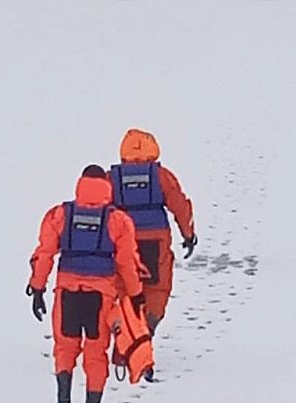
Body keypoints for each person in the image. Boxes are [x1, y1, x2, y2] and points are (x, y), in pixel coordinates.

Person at [27, 165, 147, 403]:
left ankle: (63, 398)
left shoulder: (60, 215)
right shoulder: (118, 220)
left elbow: (45, 253)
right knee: (95, 354)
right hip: (100, 297)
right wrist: (136, 295)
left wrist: (38, 288)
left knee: (64, 348)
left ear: (81, 183)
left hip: (67, 293)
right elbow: (126, 263)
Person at [109, 128, 197, 336]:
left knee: (124, 285)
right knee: (158, 285)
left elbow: (99, 208)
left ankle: (126, 330)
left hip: (123, 240)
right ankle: (149, 323)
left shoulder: (111, 178)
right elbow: (180, 205)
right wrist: (188, 234)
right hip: (156, 238)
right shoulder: (161, 176)